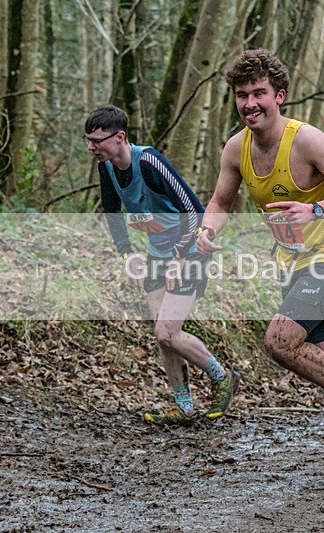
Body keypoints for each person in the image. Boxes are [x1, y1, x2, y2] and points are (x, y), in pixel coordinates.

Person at [196, 49, 324, 481]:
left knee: (279, 340)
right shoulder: (236, 149)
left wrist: (318, 211)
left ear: (279, 96)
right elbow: (220, 201)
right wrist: (208, 232)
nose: (250, 103)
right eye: (241, 95)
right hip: (293, 264)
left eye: (259, 94)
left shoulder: (307, 141)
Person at [84, 104, 238, 426]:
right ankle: (184, 407)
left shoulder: (150, 162)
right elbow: (113, 214)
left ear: (120, 137)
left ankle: (223, 377)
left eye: (97, 141)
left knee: (168, 331)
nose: (91, 147)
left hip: (191, 250)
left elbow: (195, 212)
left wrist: (180, 257)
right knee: (162, 334)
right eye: (88, 140)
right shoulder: (107, 167)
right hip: (156, 254)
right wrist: (129, 256)